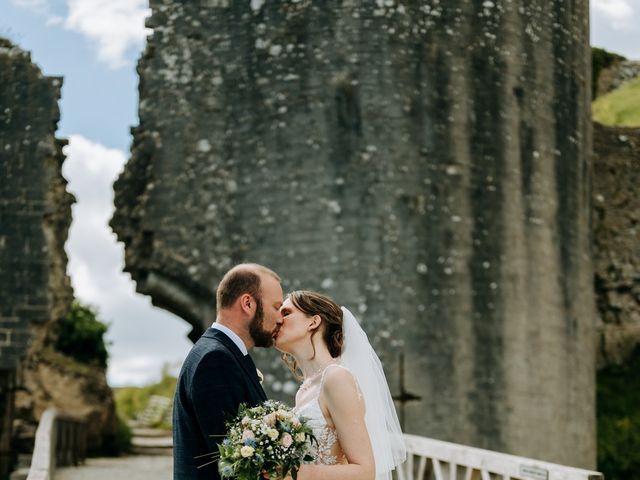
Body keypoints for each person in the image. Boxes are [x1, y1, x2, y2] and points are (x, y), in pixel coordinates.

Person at [275, 290, 406, 480]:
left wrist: (298, 473)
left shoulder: (336, 378)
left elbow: (365, 471)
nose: (277, 319)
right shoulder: (305, 389)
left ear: (313, 322)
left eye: (286, 313)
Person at [173, 263, 284, 480]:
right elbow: (234, 463)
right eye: (276, 307)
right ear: (248, 303)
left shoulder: (219, 352)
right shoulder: (216, 360)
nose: (280, 318)